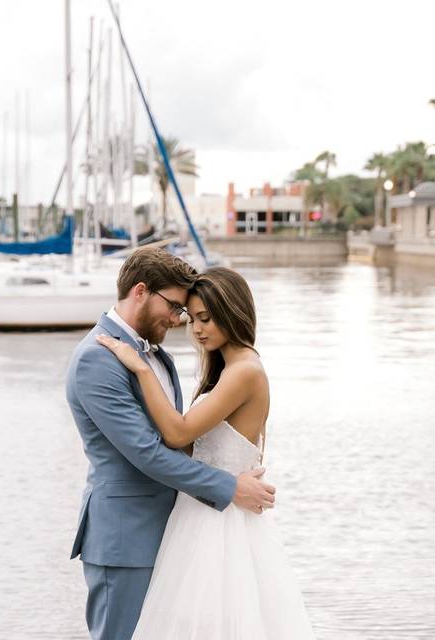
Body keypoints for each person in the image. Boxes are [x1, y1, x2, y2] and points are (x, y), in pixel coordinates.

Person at [65, 248, 276, 640]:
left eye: (193, 315)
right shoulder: (98, 359)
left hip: (179, 532)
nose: (181, 321)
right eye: (178, 308)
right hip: (125, 539)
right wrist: (229, 487)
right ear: (141, 291)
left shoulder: (156, 356)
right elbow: (148, 452)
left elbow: (186, 439)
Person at [97, 266, 315, 639]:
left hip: (222, 524)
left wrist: (141, 371)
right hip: (201, 514)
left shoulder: (245, 371)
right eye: (192, 318)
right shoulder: (227, 370)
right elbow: (187, 444)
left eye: (206, 319)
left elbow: (177, 432)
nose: (196, 329)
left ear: (232, 312)